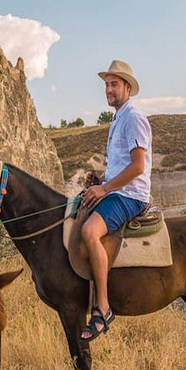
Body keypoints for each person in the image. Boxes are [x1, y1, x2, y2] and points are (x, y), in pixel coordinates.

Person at [80, 60, 152, 342]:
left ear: (127, 87)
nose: (108, 90)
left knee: (89, 232)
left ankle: (103, 308)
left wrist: (105, 189)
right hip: (116, 189)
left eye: (114, 84)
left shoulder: (133, 117)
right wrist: (101, 181)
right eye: (106, 85)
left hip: (130, 195)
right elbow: (123, 163)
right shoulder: (119, 117)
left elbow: (137, 167)